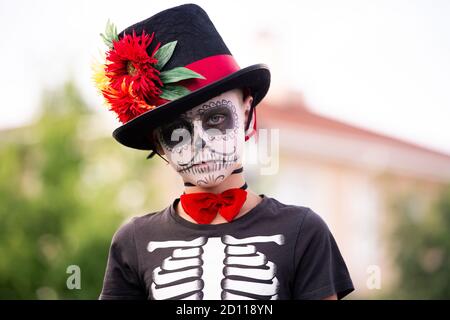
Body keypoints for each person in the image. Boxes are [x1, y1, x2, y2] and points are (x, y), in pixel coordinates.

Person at [94, 3, 354, 300]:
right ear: (158, 143)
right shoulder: (133, 242)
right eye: (176, 132)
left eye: (215, 118)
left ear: (247, 112)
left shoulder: (303, 231)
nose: (199, 141)